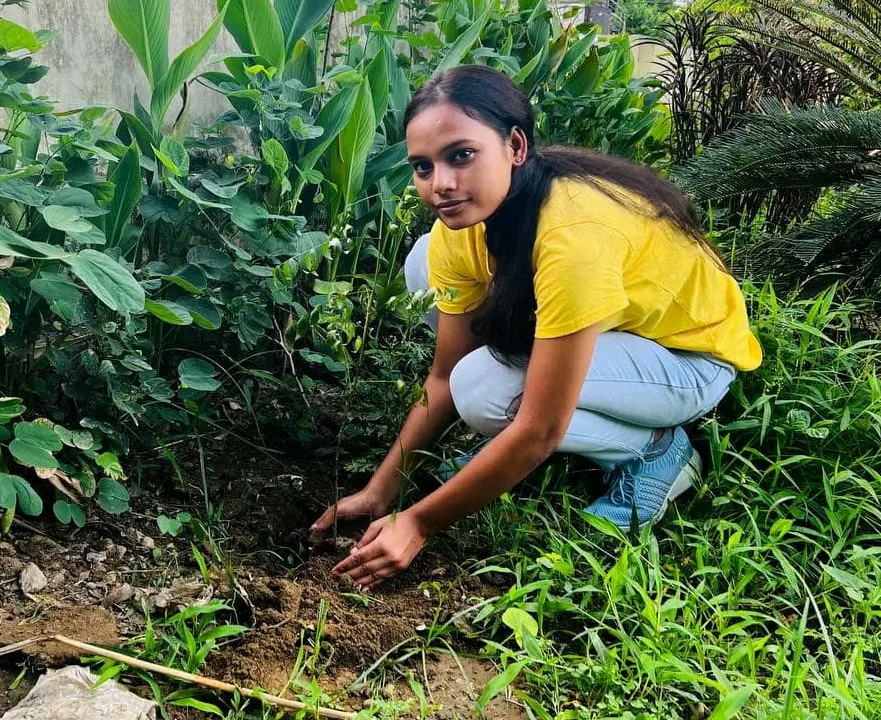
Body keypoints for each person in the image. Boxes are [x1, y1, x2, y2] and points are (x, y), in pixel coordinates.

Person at [312, 65, 762, 590]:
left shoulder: (574, 235)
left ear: (516, 146)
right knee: (424, 261)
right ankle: (554, 434)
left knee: (484, 392)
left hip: (685, 362)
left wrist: (418, 522)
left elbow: (539, 429)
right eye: (423, 167)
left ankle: (657, 449)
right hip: (615, 343)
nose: (442, 185)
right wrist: (382, 491)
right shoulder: (462, 224)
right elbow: (442, 376)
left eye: (461, 155)